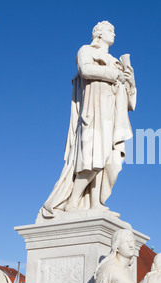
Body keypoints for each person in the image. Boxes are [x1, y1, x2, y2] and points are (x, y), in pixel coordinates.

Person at [38, 21, 137, 219]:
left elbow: (130, 99)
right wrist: (114, 74)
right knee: (94, 158)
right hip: (93, 111)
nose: (114, 34)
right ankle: (73, 201)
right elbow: (86, 70)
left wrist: (129, 80)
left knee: (111, 161)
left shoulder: (115, 60)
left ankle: (96, 203)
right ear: (99, 33)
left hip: (112, 115)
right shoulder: (86, 50)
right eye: (111, 30)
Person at [91, 229, 161, 283]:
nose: (131, 245)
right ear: (117, 247)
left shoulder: (128, 269)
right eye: (126, 242)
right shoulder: (113, 269)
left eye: (132, 242)